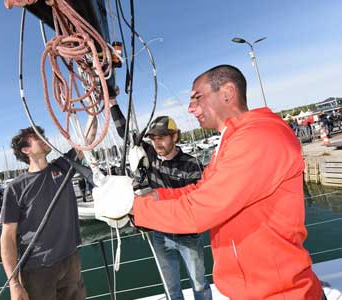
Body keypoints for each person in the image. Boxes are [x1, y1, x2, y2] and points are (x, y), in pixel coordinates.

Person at [132, 65, 324, 299]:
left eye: (197, 98)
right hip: (255, 290)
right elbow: (203, 190)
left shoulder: (257, 138)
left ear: (227, 93)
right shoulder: (235, 139)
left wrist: (135, 208)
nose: (191, 108)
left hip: (278, 293)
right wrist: (157, 196)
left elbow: (200, 211)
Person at [109, 98, 212, 300]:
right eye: (154, 138)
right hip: (160, 234)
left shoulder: (193, 164)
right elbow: (126, 133)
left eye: (162, 137)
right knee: (170, 288)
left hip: (188, 234)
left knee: (199, 284)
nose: (157, 143)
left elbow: (198, 201)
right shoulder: (151, 157)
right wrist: (112, 102)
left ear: (174, 136)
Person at [0, 119, 96, 300]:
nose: (44, 138)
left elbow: (87, 138)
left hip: (71, 260)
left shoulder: (63, 166)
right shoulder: (15, 188)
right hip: (37, 269)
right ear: (25, 150)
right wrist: (14, 283)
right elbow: (7, 236)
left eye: (42, 134)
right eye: (37, 137)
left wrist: (93, 105)